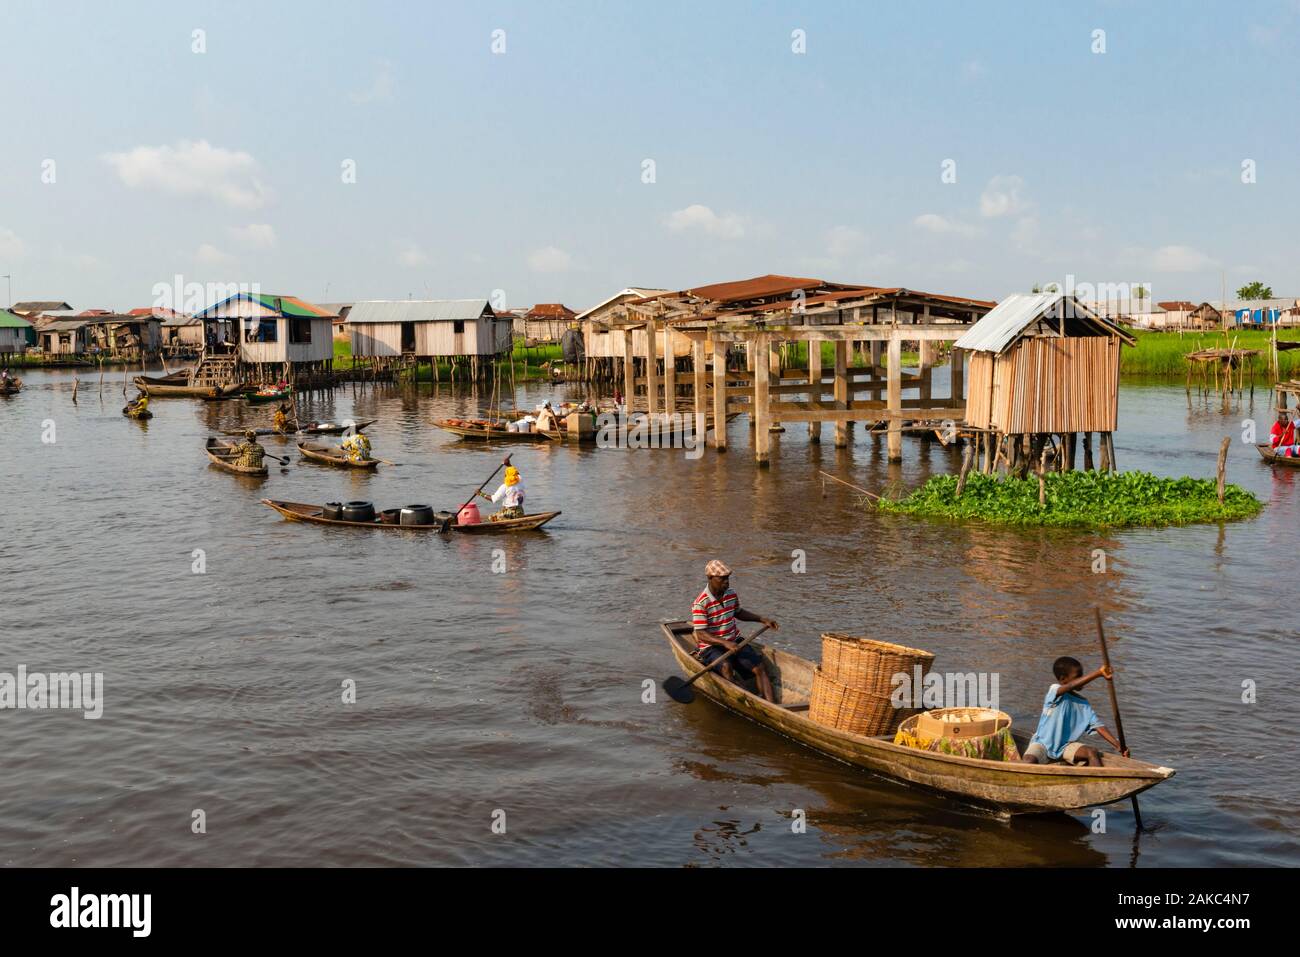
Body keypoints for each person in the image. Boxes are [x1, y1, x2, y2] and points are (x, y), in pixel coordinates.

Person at [690, 560, 779, 702]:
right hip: (711, 647)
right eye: (722, 579)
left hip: (734, 640)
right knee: (726, 667)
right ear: (710, 578)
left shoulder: (730, 593)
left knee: (759, 668)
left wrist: (762, 619)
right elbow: (701, 634)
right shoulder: (701, 603)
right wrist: (724, 643)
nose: (726, 582)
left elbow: (738, 612)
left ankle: (770, 704)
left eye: (727, 578)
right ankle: (743, 699)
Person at [1020, 656, 1128, 767]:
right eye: (1078, 677)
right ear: (1063, 679)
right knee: (1029, 760)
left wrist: (1118, 745)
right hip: (1042, 744)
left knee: (1092, 752)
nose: (1083, 679)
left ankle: (1098, 779)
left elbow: (1099, 727)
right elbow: (1070, 686)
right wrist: (1098, 673)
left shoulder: (1084, 704)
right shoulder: (1055, 691)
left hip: (1064, 747)